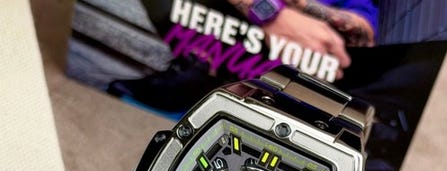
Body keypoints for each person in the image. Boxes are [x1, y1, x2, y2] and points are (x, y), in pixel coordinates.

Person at [108, 0, 378, 111]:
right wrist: (270, 12)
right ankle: (197, 66)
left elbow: (362, 31)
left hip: (281, 72)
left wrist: (299, 9)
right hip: (211, 29)